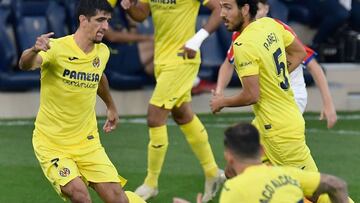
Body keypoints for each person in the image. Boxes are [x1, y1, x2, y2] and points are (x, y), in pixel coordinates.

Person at [18, 0, 131, 202]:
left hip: (87, 142)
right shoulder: (56, 48)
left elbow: (99, 77)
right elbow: (25, 64)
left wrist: (111, 106)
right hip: (52, 143)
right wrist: (34, 50)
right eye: (100, 20)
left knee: (117, 199)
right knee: (79, 194)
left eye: (108, 21)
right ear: (83, 20)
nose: (105, 26)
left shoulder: (102, 52)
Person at [120, 0, 225, 201]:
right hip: (162, 59)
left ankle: (151, 183)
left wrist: (197, 39)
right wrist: (129, 6)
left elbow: (219, 9)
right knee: (182, 114)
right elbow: (141, 13)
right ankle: (212, 171)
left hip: (183, 57)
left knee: (155, 115)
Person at [215, 0, 337, 128]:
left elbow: (313, 65)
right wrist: (219, 91)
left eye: (259, 9)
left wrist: (328, 104)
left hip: (291, 94)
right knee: (255, 142)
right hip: (271, 96)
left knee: (259, 140)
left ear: (266, 9)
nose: (256, 14)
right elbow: (228, 64)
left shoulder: (275, 28)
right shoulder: (243, 35)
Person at [173, 123, 349, 203]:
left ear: (229, 157)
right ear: (263, 150)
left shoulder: (234, 189)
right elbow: (336, 184)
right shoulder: (288, 173)